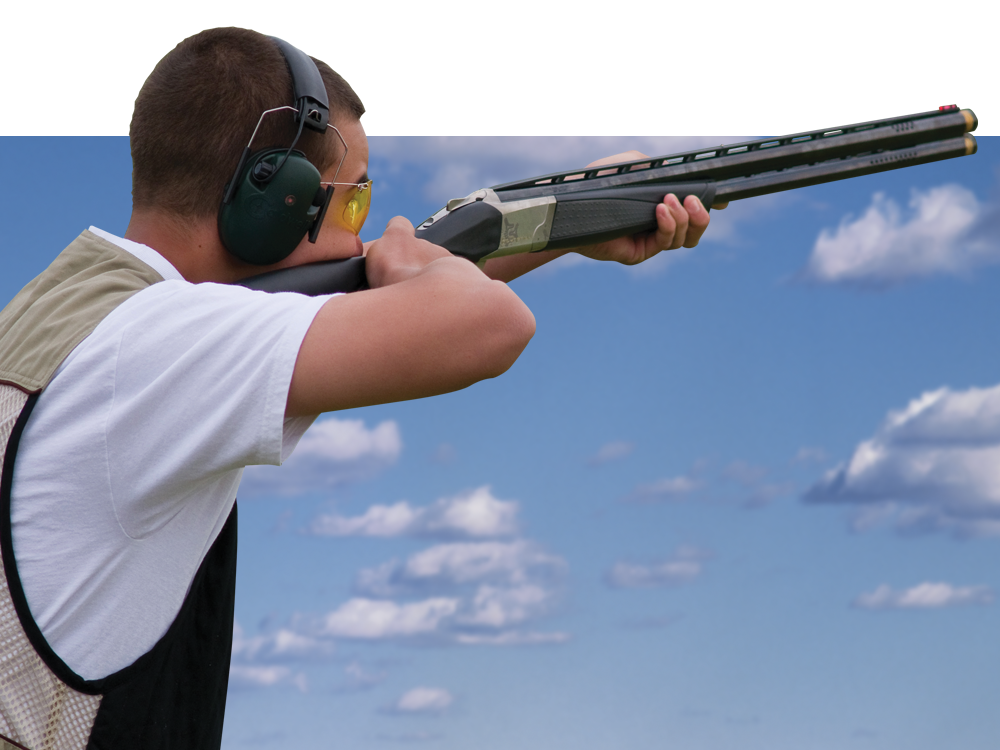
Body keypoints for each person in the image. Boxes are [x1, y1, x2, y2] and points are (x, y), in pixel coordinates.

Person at [0, 27, 713, 750]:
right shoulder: (164, 345)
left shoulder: (74, 312)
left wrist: (577, 210)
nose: (357, 238)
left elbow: (379, 299)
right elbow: (492, 324)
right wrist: (408, 267)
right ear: (273, 201)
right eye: (353, 205)